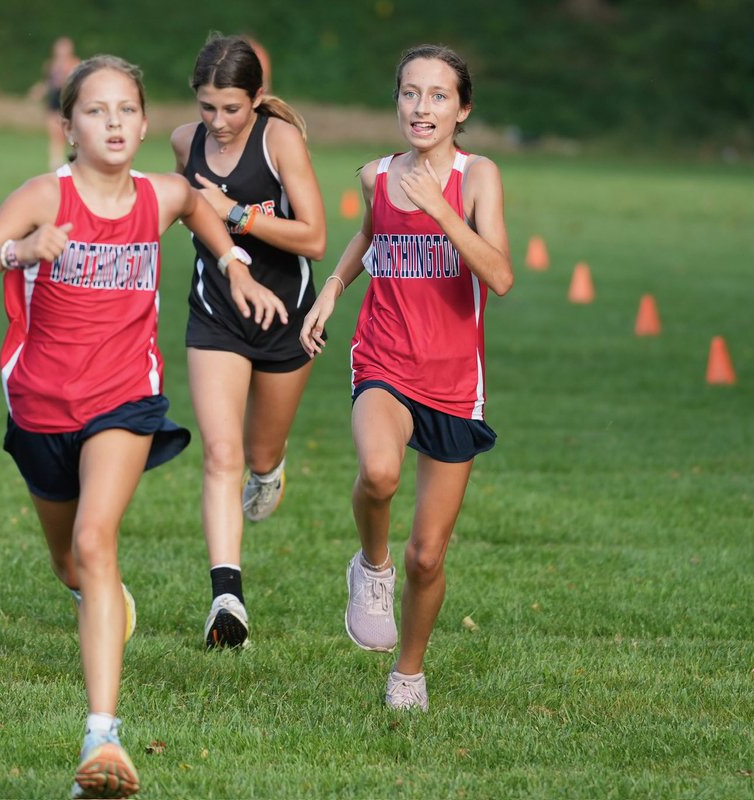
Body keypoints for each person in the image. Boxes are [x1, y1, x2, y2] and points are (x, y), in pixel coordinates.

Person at [0, 54, 284, 798]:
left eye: (127, 110)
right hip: (40, 406)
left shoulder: (158, 195)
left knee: (97, 539)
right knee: (73, 565)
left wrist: (237, 265)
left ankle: (103, 740)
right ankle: (102, 598)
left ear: (146, 123)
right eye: (96, 111)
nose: (114, 123)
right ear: (68, 128)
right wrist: (16, 252)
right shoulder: (42, 196)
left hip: (124, 401)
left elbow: (193, 203)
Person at [299, 44, 513, 711]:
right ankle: (370, 567)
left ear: (462, 108)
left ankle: (408, 672)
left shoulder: (478, 178)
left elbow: (501, 276)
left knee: (428, 556)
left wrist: (443, 210)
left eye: (438, 95)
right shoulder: (376, 175)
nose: (421, 107)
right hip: (383, 358)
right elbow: (371, 234)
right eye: (410, 93)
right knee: (380, 473)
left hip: (454, 382)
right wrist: (334, 286)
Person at [170, 34, 326, 649]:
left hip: (288, 317)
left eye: (231, 108)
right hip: (216, 315)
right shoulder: (186, 142)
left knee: (259, 455)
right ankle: (226, 599)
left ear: (256, 99)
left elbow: (314, 237)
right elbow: (187, 214)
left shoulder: (279, 139)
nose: (219, 121)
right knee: (221, 454)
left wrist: (233, 210)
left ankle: (272, 470)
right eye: (208, 107)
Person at [40, 37, 80, 170]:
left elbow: (73, 83)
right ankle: (55, 162)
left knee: (69, 132)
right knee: (54, 132)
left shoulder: (75, 64)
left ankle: (77, 159)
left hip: (68, 100)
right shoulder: (50, 65)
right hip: (54, 101)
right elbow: (49, 83)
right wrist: (39, 90)